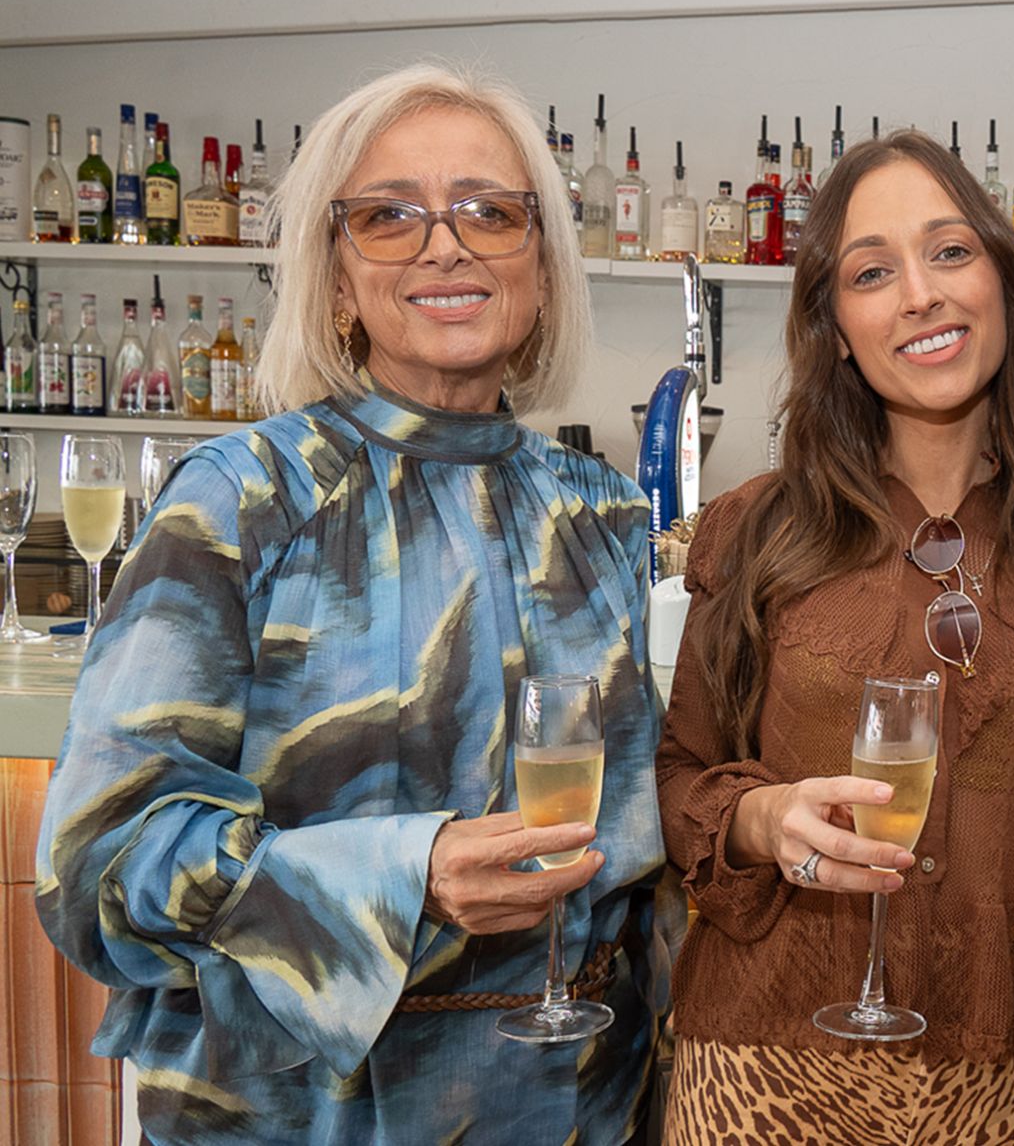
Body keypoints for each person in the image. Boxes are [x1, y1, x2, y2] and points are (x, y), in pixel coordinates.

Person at [35, 64, 676, 1145]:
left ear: (543, 270)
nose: (445, 245)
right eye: (389, 216)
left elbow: (647, 862)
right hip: (305, 1111)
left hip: (578, 1106)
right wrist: (403, 875)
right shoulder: (242, 500)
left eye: (489, 211)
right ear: (336, 279)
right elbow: (101, 864)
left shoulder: (603, 513)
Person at [655, 129, 1014, 1144]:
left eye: (949, 252)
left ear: (1005, 283)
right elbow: (680, 776)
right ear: (835, 328)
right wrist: (763, 819)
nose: (920, 295)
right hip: (772, 1066)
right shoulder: (755, 529)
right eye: (871, 272)